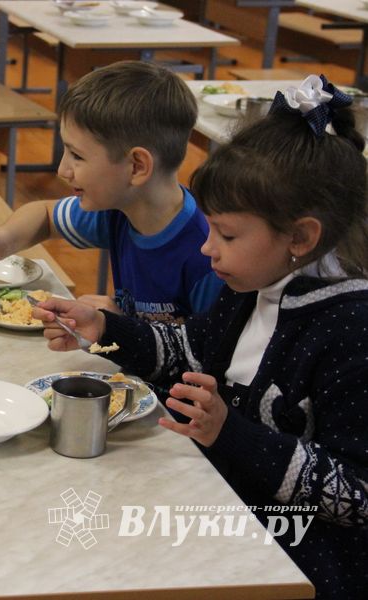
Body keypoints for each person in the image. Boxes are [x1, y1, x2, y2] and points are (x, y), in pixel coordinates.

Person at [33, 75, 368, 599]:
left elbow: (355, 495)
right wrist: (104, 330)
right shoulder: (251, 282)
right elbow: (189, 352)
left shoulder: (350, 330)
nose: (208, 249)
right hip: (220, 500)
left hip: (299, 554)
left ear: (301, 238)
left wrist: (227, 431)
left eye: (227, 235)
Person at [0, 60, 223, 323]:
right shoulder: (121, 210)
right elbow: (46, 215)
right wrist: (0, 242)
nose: (62, 170)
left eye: (77, 155)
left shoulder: (207, 255)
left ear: (137, 167)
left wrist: (123, 326)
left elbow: (209, 357)